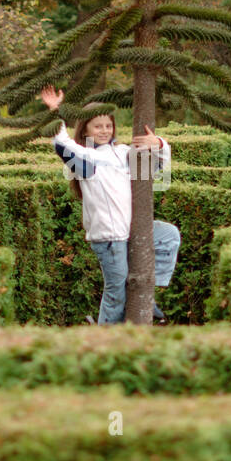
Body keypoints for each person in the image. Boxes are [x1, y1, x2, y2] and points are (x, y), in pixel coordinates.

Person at [39, 84, 180, 325]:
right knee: (116, 293)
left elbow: (155, 167)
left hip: (132, 228)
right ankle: (105, 337)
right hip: (109, 238)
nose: (104, 130)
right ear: (85, 130)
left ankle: (148, 297)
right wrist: (55, 112)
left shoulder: (125, 153)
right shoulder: (86, 159)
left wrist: (159, 144)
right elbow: (62, 145)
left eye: (108, 125)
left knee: (169, 235)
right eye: (97, 126)